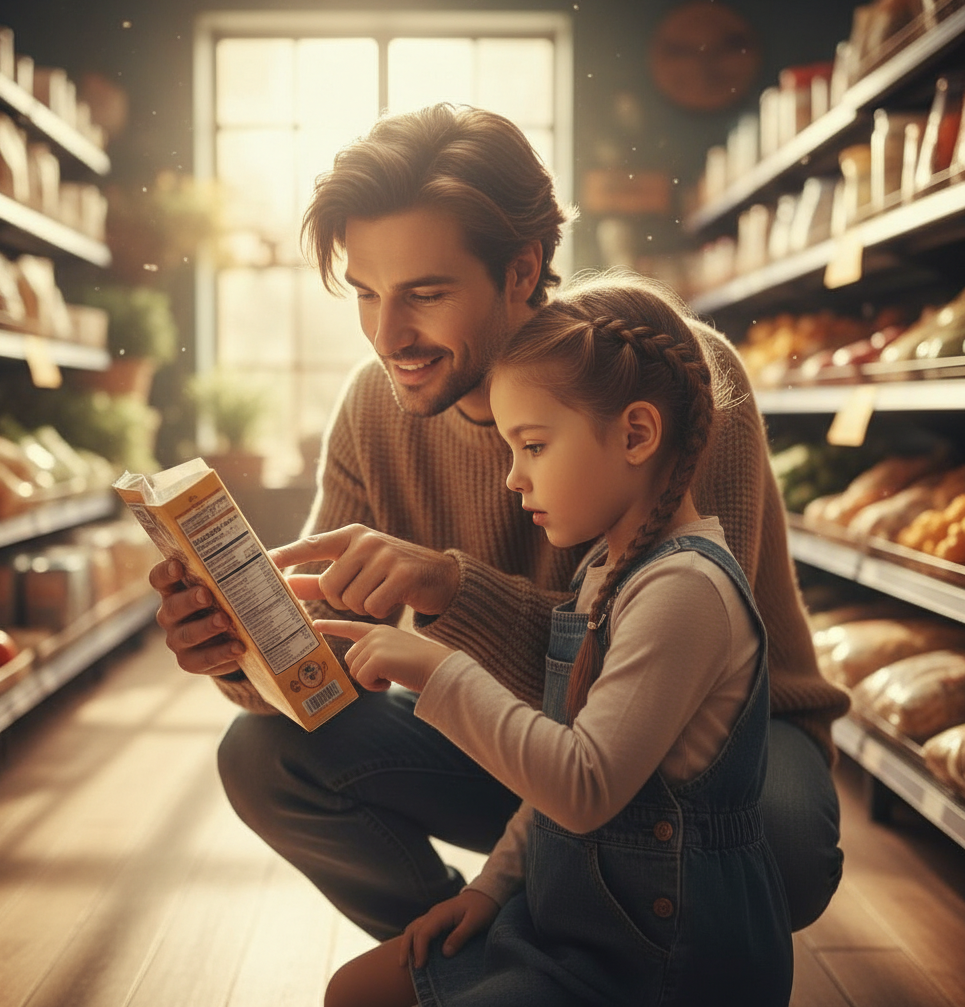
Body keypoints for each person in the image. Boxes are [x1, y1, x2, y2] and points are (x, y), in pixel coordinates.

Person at [148, 103, 850, 939]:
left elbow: (674, 658)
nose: (386, 335)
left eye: (426, 294)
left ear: (522, 271)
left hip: (710, 752)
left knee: (783, 848)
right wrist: (240, 648)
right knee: (264, 757)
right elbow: (323, 666)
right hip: (515, 744)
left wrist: (451, 588)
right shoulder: (376, 409)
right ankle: (461, 951)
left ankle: (547, 949)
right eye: (366, 295)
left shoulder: (672, 382)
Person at [318, 278, 794, 1007]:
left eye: (533, 445)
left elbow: (580, 787)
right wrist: (490, 887)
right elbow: (551, 780)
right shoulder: (605, 571)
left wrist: (441, 671)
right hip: (573, 925)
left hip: (660, 962)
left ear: (636, 434)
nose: (513, 477)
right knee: (354, 991)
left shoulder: (685, 592)